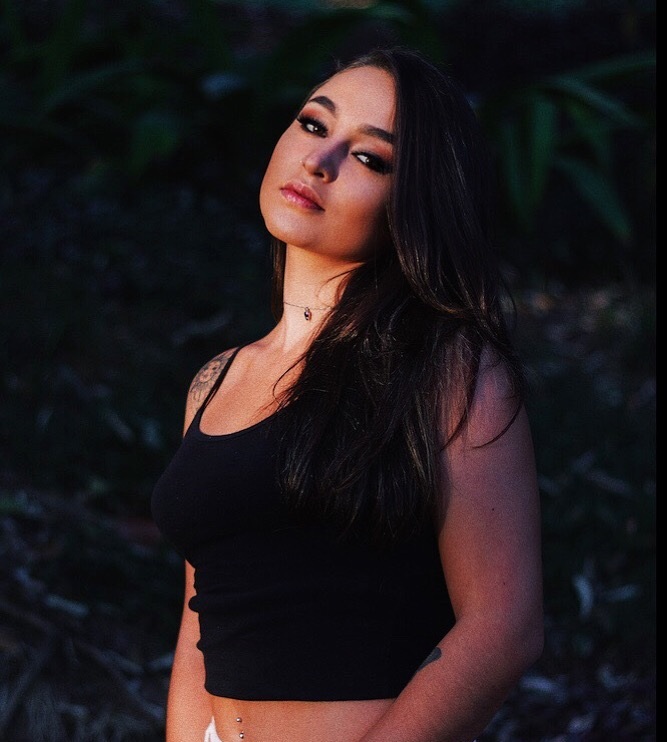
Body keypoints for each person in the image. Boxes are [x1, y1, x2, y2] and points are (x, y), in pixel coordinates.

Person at [151, 46, 543, 742]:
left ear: (413, 203)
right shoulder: (216, 380)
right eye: (312, 124)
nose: (319, 161)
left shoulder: (448, 369)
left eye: (369, 158)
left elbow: (502, 627)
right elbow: (200, 614)